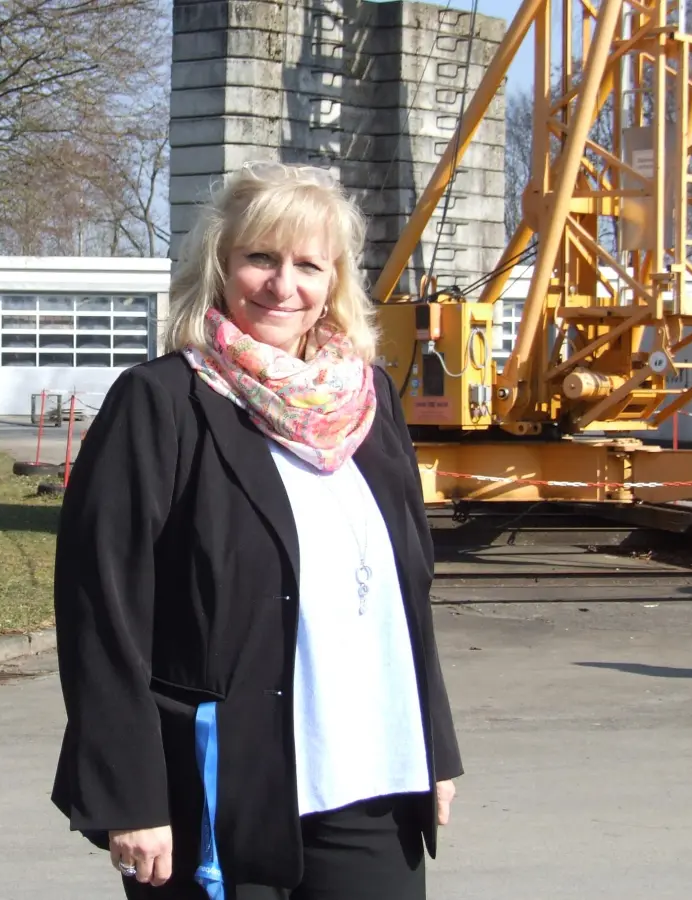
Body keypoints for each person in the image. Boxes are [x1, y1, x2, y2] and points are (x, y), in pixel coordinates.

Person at [50, 161, 463, 900]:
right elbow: (100, 612)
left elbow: (409, 592)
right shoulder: (162, 403)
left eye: (308, 265)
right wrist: (131, 798)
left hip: (372, 783)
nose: (283, 285)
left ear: (333, 282)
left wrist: (433, 748)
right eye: (261, 259)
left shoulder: (371, 404)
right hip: (222, 794)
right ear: (221, 265)